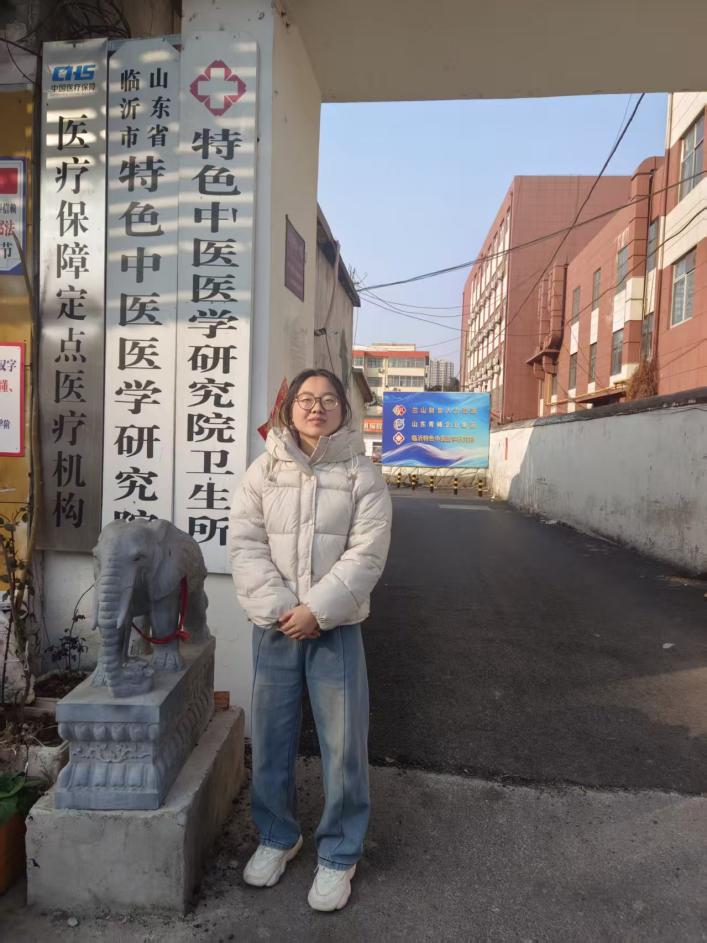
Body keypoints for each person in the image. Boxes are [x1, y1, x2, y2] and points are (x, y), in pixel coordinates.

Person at [228, 368, 392, 912]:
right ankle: (278, 836)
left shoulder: (362, 475)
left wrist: (316, 611)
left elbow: (367, 553)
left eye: (326, 399)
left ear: (343, 409)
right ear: (289, 408)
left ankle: (340, 852)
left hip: (335, 628)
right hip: (274, 627)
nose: (315, 407)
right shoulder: (263, 471)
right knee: (271, 739)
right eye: (305, 398)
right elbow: (245, 544)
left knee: (343, 745)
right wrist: (284, 610)